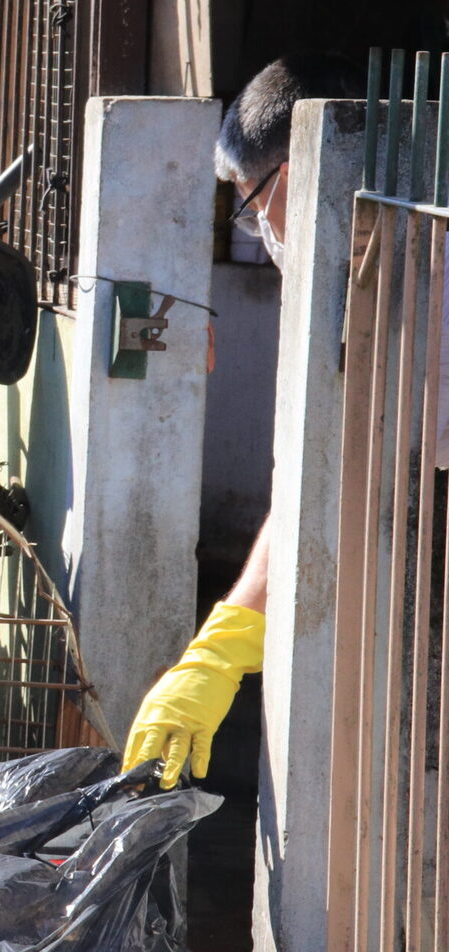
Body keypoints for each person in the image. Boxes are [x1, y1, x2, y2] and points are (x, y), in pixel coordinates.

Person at [123, 53, 363, 789]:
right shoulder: (354, 285)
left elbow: (339, 483)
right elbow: (310, 488)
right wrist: (219, 646)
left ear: (291, 174)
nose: (259, 227)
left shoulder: (410, 282)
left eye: (252, 202)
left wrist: (218, 650)